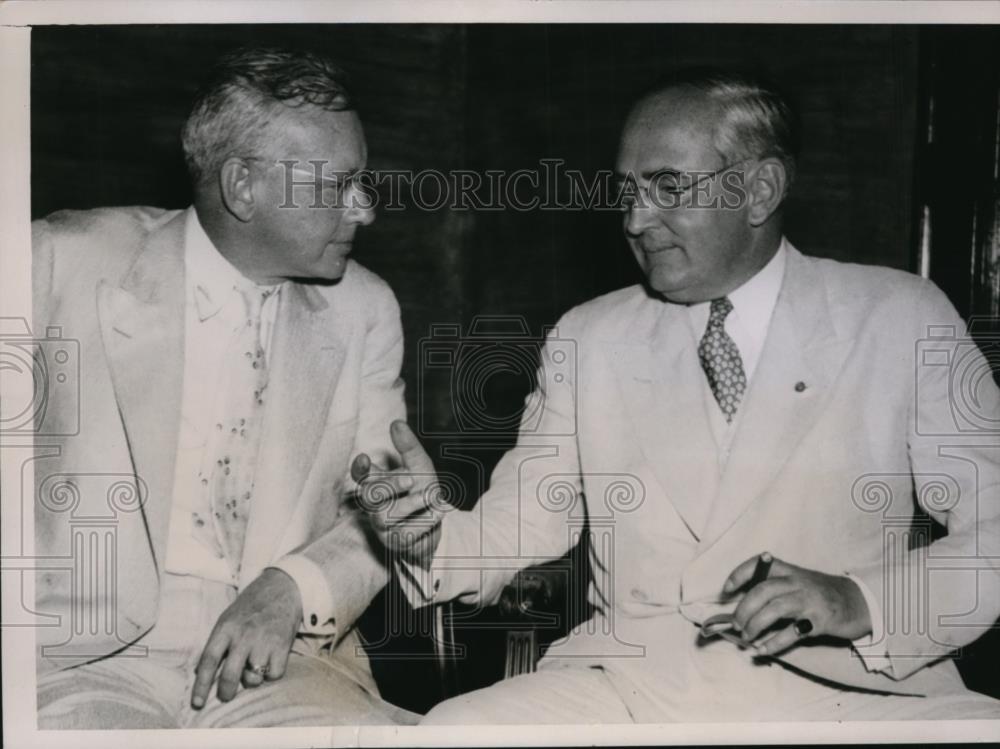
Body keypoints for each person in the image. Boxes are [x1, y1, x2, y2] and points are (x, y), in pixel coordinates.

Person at [352, 69, 1000, 722]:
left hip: (856, 688)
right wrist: (426, 534)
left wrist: (858, 600)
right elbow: (522, 524)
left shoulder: (899, 316)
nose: (635, 219)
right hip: (636, 684)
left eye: (667, 187)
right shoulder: (590, 335)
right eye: (627, 191)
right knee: (456, 730)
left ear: (759, 189)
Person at [32, 47, 417, 728]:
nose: (364, 210)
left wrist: (294, 588)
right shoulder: (60, 258)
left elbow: (376, 517)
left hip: (288, 658)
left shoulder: (367, 309)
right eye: (337, 185)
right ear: (242, 186)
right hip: (80, 659)